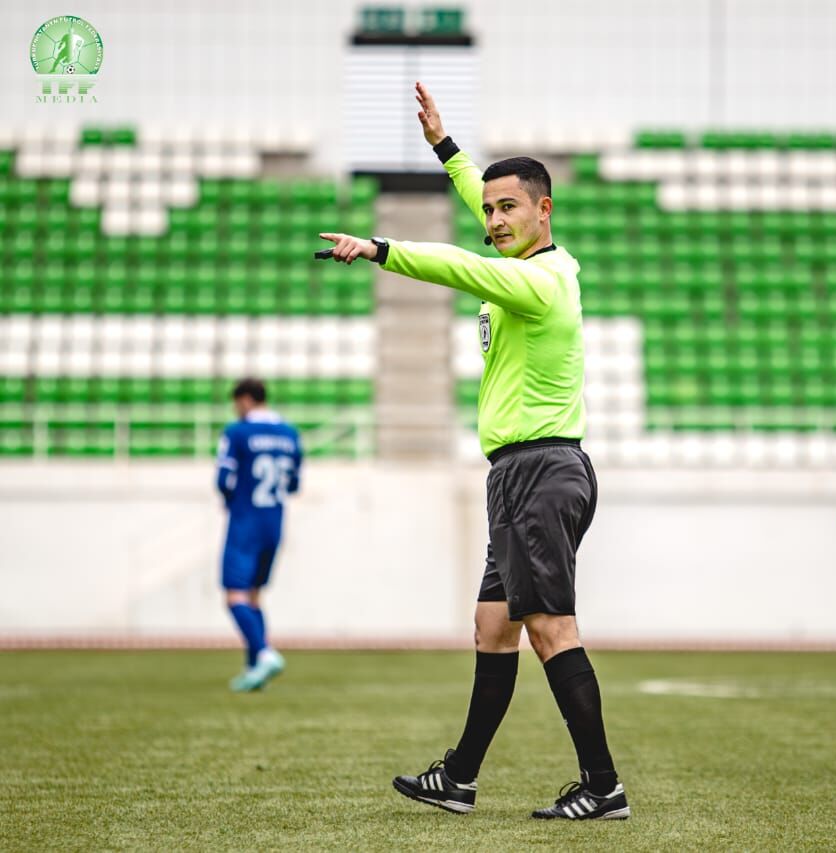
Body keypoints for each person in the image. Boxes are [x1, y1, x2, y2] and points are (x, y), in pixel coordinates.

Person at [320, 82, 628, 821]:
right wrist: (446, 148)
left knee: (550, 629)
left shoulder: (541, 281)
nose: (493, 220)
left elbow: (462, 266)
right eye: (488, 210)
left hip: (541, 470)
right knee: (495, 627)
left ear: (545, 210)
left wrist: (381, 249)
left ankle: (603, 785)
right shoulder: (529, 259)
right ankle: (459, 778)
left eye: (507, 208)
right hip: (520, 474)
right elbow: (481, 210)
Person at [216, 377, 302, 692]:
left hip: (246, 521)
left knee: (235, 595)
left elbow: (223, 479)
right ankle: (255, 670)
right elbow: (294, 484)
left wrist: (231, 502)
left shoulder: (237, 432)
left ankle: (264, 654)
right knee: (253, 594)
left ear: (245, 400)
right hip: (274, 522)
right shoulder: (290, 433)